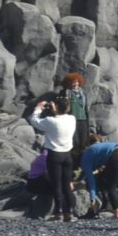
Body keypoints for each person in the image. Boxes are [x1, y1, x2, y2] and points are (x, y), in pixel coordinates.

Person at [28, 93, 79, 222]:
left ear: (55, 108)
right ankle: (70, 212)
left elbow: (34, 120)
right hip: (68, 155)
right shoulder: (72, 119)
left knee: (56, 184)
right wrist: (55, 108)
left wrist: (38, 108)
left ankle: (59, 212)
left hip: (54, 155)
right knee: (66, 184)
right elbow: (62, 111)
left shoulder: (51, 121)